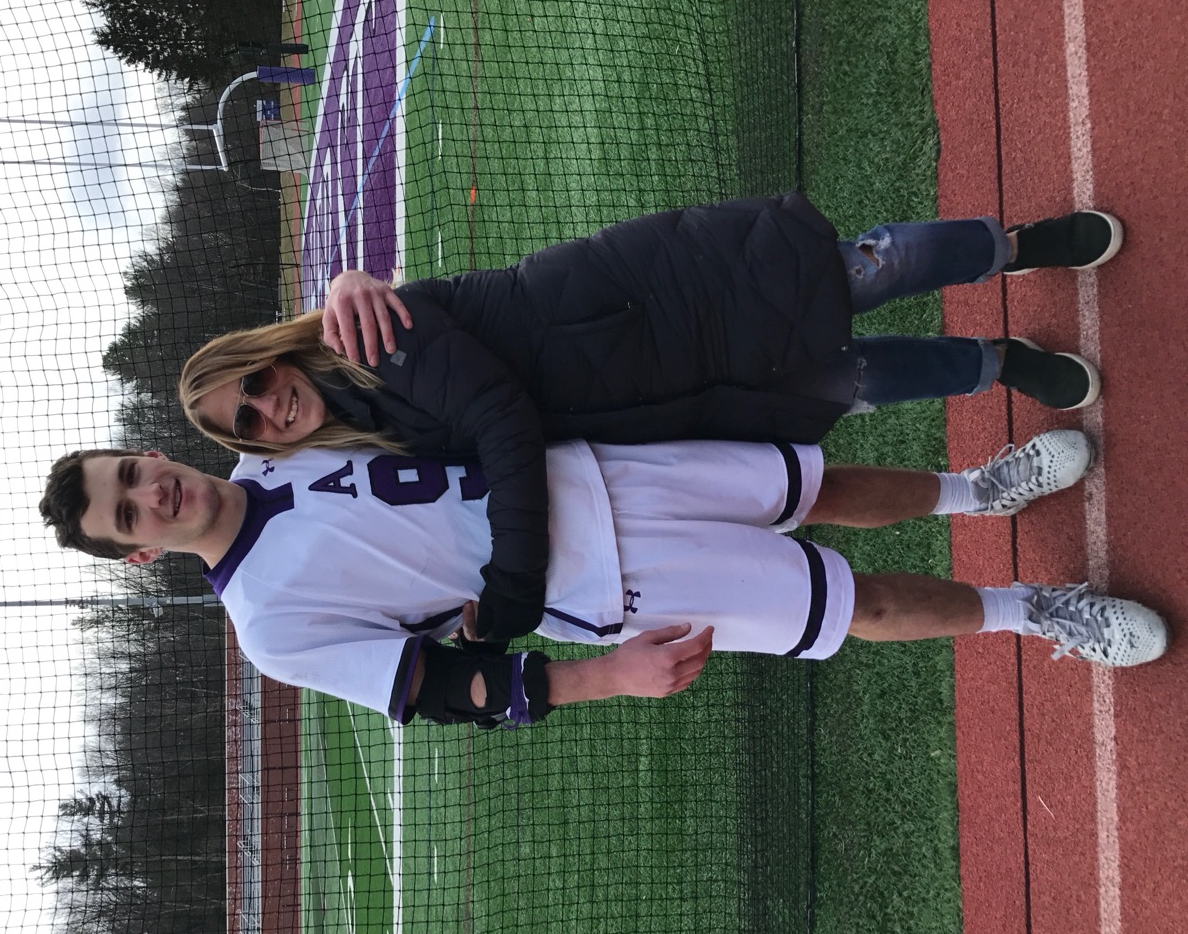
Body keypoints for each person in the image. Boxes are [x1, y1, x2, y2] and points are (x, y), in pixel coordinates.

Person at [178, 195, 1123, 643]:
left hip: (640, 309)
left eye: (254, 384)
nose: (269, 409)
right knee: (846, 382)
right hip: (641, 416)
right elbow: (266, 525)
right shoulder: (332, 449)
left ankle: (1016, 246)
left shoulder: (364, 333)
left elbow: (499, 415)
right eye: (249, 423)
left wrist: (506, 599)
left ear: (270, 354)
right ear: (254, 448)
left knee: (851, 272)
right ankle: (995, 366)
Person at [38, 430, 1168, 729]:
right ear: (136, 553)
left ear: (145, 451)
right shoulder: (269, 630)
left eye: (132, 472)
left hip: (589, 465)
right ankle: (1035, 613)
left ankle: (983, 488)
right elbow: (439, 687)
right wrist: (605, 680)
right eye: (128, 512)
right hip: (604, 579)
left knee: (810, 486)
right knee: (846, 602)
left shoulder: (273, 435)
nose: (154, 493)